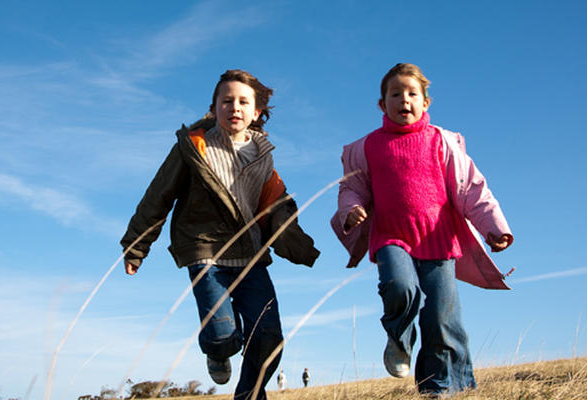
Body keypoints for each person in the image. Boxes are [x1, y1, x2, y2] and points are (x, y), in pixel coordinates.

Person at [121, 69, 320, 400]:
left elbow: (278, 210)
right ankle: (217, 350)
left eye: (244, 101)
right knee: (222, 336)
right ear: (213, 108)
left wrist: (300, 247)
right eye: (226, 101)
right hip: (206, 254)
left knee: (268, 336)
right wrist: (137, 246)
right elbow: (158, 195)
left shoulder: (263, 156)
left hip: (252, 257)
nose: (235, 107)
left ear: (257, 112)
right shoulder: (193, 147)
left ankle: (249, 395)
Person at [331, 63, 513, 396]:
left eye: (412, 94)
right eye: (395, 94)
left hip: (439, 240)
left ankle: (440, 388)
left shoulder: (442, 141)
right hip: (391, 237)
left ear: (426, 102)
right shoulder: (368, 146)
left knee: (443, 318)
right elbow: (352, 187)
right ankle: (399, 340)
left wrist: (494, 227)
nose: (404, 100)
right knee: (401, 288)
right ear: (381, 104)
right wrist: (351, 209)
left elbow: (470, 187)